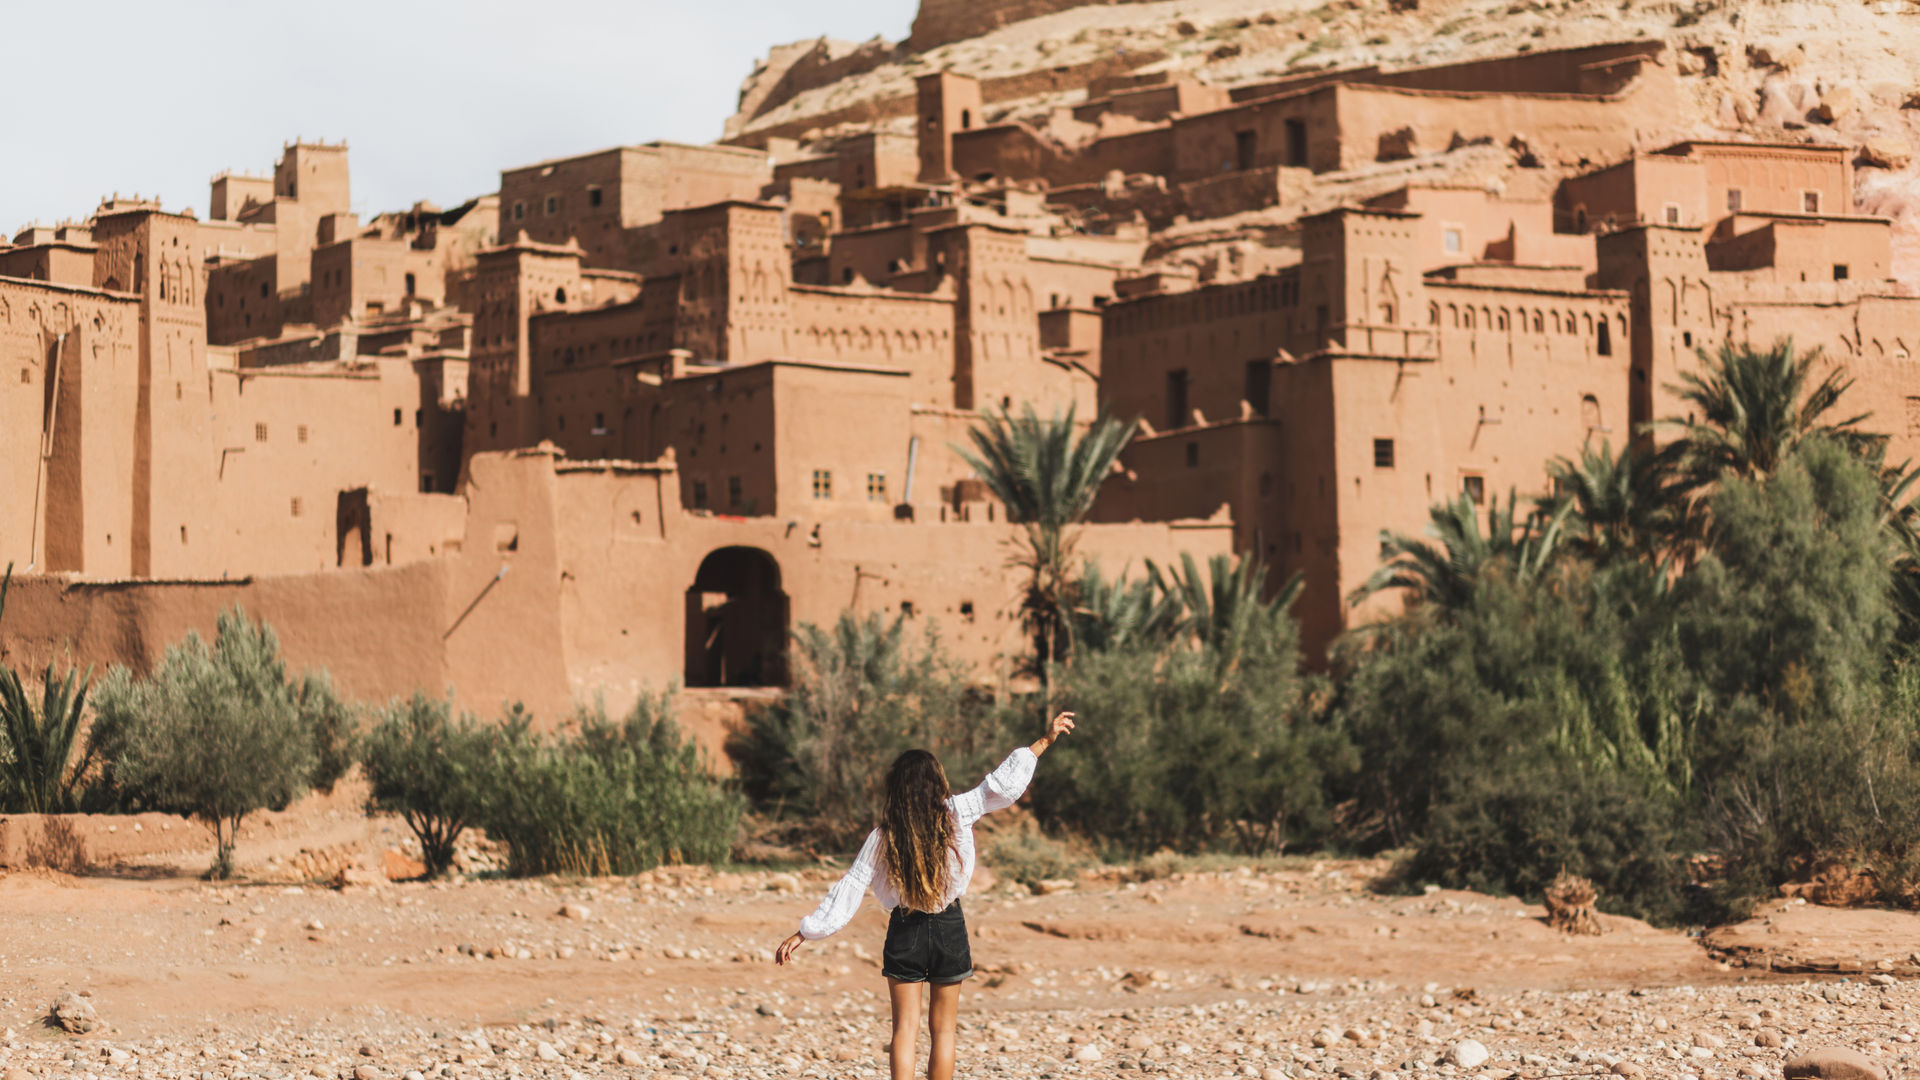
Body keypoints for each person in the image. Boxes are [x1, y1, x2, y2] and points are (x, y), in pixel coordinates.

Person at [775, 710, 1078, 1080]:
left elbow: (851, 887)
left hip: (905, 931)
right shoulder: (957, 812)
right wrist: (1044, 741)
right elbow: (1001, 785)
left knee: (904, 1030)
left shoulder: (884, 834)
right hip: (949, 927)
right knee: (944, 1031)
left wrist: (806, 932)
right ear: (937, 782)